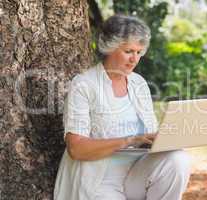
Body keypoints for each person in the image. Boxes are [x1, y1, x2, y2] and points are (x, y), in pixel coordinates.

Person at [54, 14, 191, 200]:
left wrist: (163, 138)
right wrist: (129, 140)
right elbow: (76, 149)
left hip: (136, 172)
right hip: (99, 179)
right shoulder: (84, 84)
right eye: (128, 51)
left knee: (177, 159)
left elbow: (149, 134)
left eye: (139, 52)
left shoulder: (138, 83)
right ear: (109, 48)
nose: (134, 59)